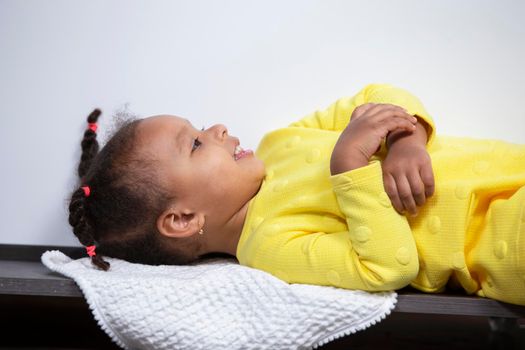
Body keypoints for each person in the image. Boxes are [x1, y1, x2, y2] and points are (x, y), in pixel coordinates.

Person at [68, 83, 525, 306]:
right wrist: (349, 166)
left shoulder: (278, 144)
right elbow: (387, 266)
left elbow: (373, 96)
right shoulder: (268, 247)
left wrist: (407, 140)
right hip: (496, 241)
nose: (219, 128)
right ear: (183, 219)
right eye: (195, 143)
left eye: (199, 125)